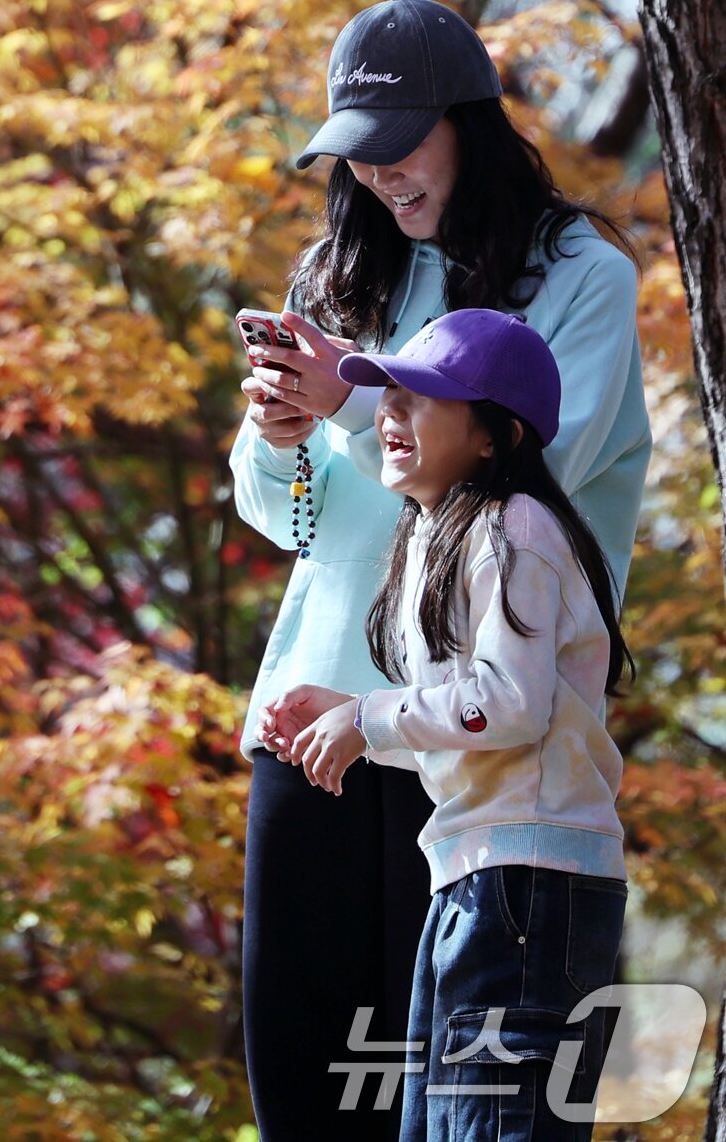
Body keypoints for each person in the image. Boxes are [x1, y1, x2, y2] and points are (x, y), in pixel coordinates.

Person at [231, 0, 650, 1142]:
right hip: (318, 708)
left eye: (399, 146)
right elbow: (286, 523)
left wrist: (352, 409)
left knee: (462, 1107)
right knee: (314, 1086)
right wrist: (280, 439)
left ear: (469, 119)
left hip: (482, 734)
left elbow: (519, 485)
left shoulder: (579, 276)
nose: (379, 178)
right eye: (355, 157)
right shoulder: (336, 273)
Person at [264, 310, 632, 1142]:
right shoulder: (435, 534)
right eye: (387, 394)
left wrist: (369, 718)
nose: (390, 413)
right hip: (477, 873)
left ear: (496, 436)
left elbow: (509, 702)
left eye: (422, 398)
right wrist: (341, 708)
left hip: (530, 881)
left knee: (492, 1126)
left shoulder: (515, 528)